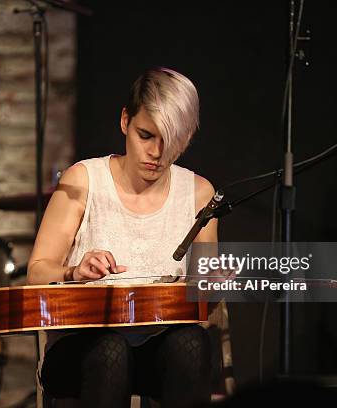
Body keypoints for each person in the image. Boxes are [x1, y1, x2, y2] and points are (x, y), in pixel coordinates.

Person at [27, 67, 217, 408]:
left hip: (155, 349)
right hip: (83, 349)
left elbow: (203, 301)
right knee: (110, 350)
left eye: (171, 140)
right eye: (146, 135)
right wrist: (73, 272)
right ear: (125, 121)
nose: (157, 153)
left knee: (192, 342)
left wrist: (214, 284)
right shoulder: (84, 180)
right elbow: (38, 270)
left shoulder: (199, 194)